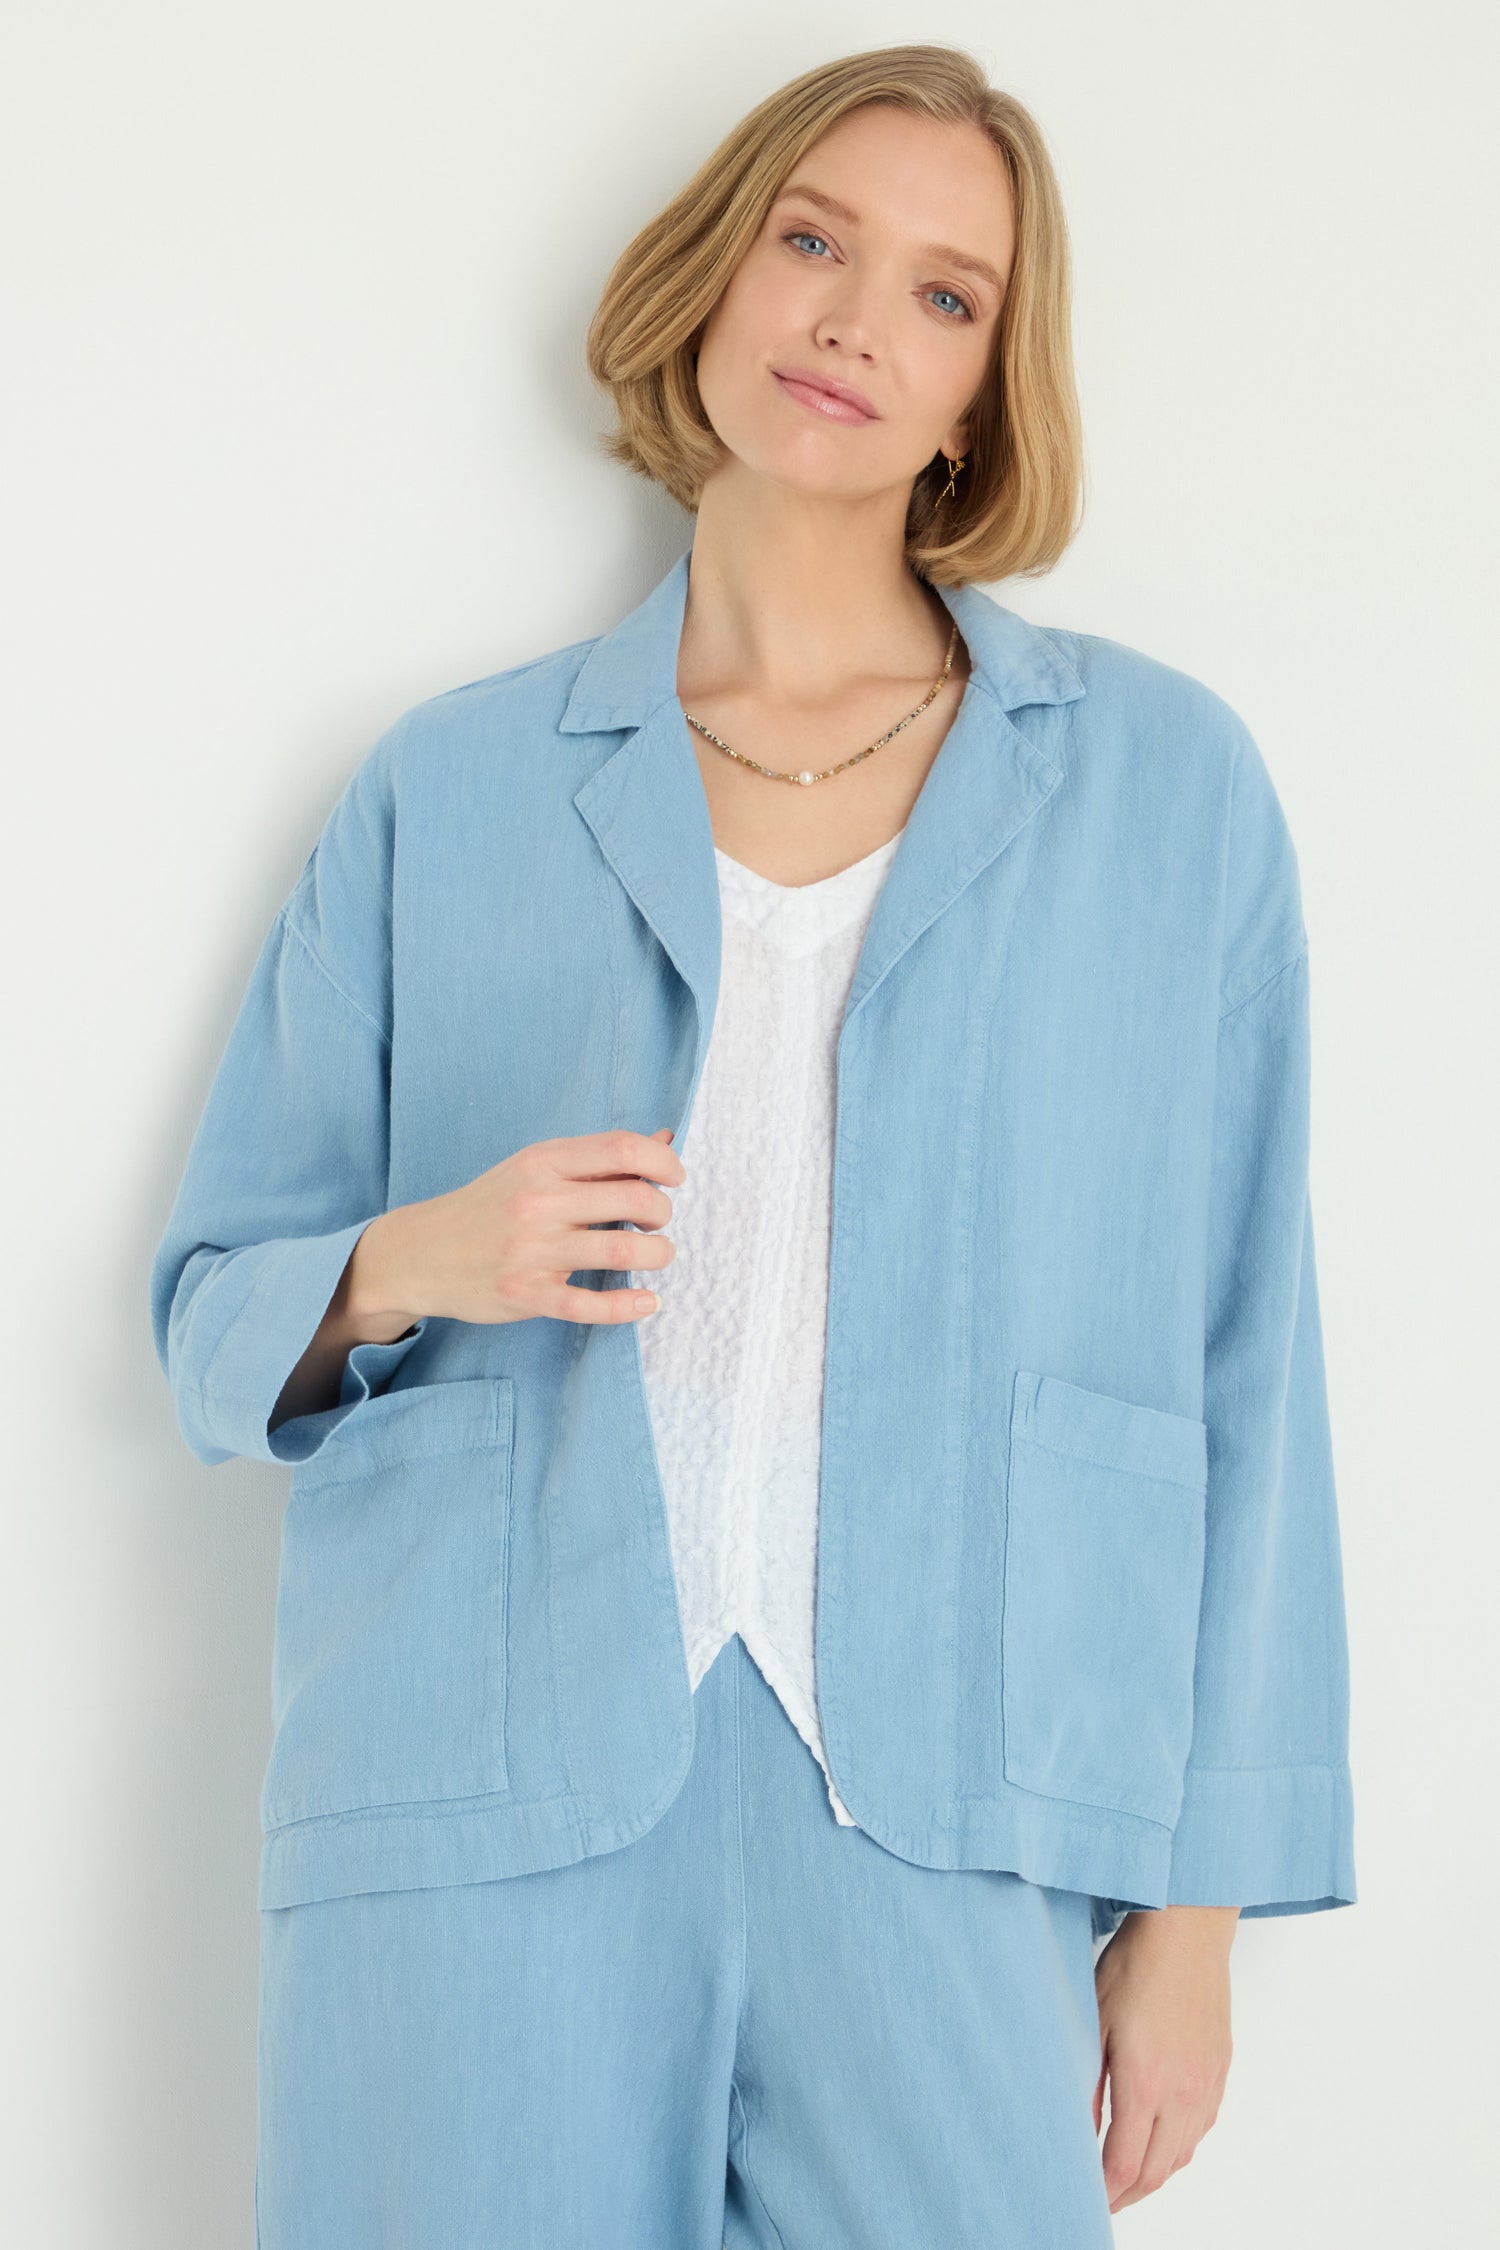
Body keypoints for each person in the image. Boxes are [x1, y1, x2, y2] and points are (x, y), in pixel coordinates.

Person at [149, 42, 1357, 2248]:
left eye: (942, 294)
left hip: (959, 1804)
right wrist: (424, 1255)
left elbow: (1244, 1354)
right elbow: (214, 1307)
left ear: (986, 387)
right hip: (483, 1796)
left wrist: (1196, 1909)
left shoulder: (1169, 803)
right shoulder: (451, 792)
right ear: (714, 281)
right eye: (812, 242)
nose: (851, 324)